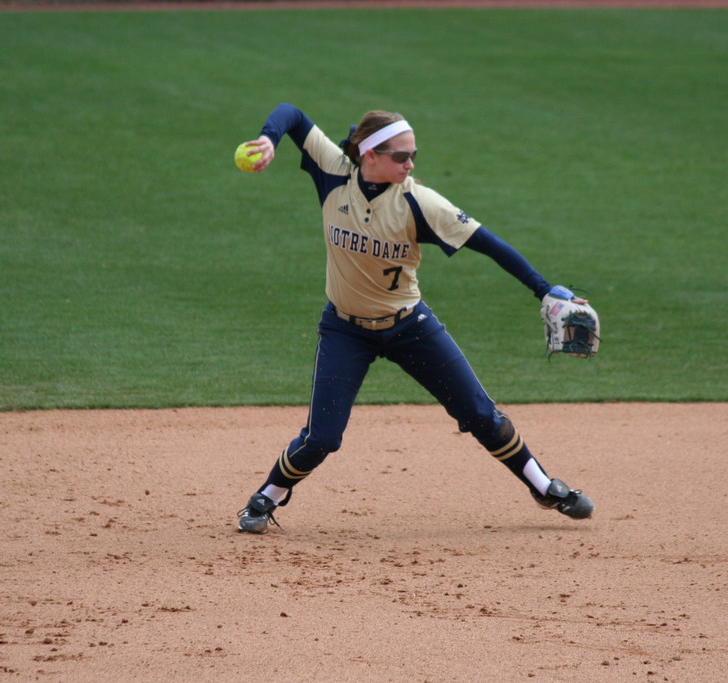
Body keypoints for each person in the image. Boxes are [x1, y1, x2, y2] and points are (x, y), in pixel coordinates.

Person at [234, 103, 593, 534]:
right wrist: (269, 139)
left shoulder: (419, 203)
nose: (411, 164)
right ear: (370, 155)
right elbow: (290, 113)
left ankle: (544, 486)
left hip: (409, 326)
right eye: (402, 156)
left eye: (414, 155)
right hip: (345, 330)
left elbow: (489, 244)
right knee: (322, 438)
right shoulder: (333, 172)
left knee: (482, 415)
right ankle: (266, 497)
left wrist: (542, 288)